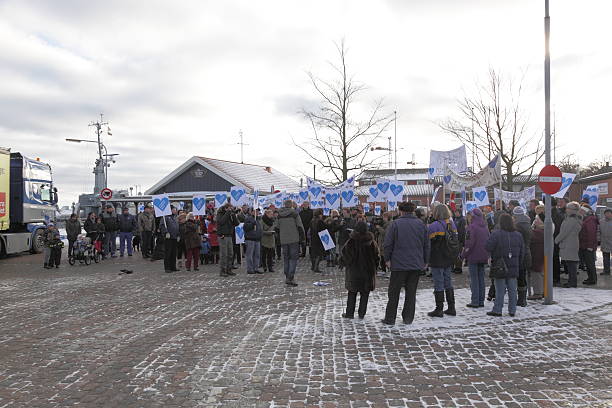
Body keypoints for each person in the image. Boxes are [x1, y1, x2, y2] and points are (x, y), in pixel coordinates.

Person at [381, 201, 430, 325]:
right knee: (411, 292)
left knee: (394, 292)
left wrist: (387, 259)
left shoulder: (395, 224)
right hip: (415, 263)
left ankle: (390, 318)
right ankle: (408, 318)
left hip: (398, 264)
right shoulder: (421, 224)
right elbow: (426, 245)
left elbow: (387, 244)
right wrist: (425, 260)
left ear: (400, 211)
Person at [485, 213, 524, 317]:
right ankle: (512, 310)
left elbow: (488, 247)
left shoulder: (496, 234)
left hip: (499, 265)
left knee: (500, 289)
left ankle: (497, 309)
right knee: (512, 290)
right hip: (514, 264)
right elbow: (522, 252)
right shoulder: (518, 235)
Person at [341, 221, 379, 319]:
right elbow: (377, 256)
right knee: (365, 293)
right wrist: (376, 267)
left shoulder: (351, 241)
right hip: (368, 272)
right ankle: (362, 313)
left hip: (354, 272)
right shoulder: (371, 242)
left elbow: (346, 256)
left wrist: (342, 262)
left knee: (352, 293)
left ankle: (349, 313)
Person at [427, 204, 458, 318]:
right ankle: (451, 307)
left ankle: (439, 309)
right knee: (448, 281)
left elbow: (428, 243)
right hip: (449, 256)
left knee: (438, 282)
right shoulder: (452, 224)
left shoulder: (434, 226)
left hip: (437, 257)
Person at [463, 208, 490, 308]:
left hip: (473, 256)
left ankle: (475, 301)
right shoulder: (485, 227)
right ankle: (481, 301)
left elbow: (469, 243)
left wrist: (463, 255)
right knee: (481, 279)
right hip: (483, 256)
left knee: (474, 279)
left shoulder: (471, 227)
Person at [277, 200, 305, 286]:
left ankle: (287, 276)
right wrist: (303, 238)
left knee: (286, 258)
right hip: (294, 239)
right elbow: (300, 226)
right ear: (291, 205)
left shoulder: (279, 215)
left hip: (284, 239)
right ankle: (290, 277)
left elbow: (276, 227)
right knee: (293, 259)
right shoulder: (295, 214)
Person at [554, 202, 582, 288]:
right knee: (570, 264)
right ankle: (571, 281)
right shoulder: (573, 218)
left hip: (569, 244)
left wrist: (556, 240)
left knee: (571, 264)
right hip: (570, 243)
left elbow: (564, 233)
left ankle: (572, 282)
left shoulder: (571, 220)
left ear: (572, 210)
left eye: (568, 208)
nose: (566, 210)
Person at [512, 206, 532, 307]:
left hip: (519, 254)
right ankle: (522, 299)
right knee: (522, 276)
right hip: (527, 253)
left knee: (518, 277)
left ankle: (521, 299)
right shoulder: (528, 224)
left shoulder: (518, 227)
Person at [216, 203, 239, 277]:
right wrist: (227, 213)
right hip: (223, 236)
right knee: (224, 254)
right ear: (226, 208)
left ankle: (229, 269)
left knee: (230, 254)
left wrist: (233, 215)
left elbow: (236, 223)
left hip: (229, 235)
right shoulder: (220, 213)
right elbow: (221, 222)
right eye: (229, 208)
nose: (230, 210)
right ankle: (222, 271)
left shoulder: (230, 214)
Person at [579, 205, 599, 285]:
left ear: (585, 211)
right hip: (585, 245)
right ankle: (590, 278)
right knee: (588, 263)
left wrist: (590, 246)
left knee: (590, 263)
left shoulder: (590, 220)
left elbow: (591, 233)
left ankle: (592, 279)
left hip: (588, 246)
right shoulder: (588, 218)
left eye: (581, 211)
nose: (579, 212)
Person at [529, 213, 545, 300]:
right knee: (540, 273)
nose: (535, 221)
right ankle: (541, 291)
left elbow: (531, 237)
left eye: (537, 219)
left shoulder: (538, 232)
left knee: (536, 274)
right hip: (540, 253)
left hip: (536, 254)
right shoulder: (543, 230)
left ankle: (537, 293)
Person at [160, 206, 180, 273]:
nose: (175, 211)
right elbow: (162, 226)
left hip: (174, 237)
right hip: (168, 238)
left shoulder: (175, 217)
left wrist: (178, 234)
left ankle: (173, 266)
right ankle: (167, 267)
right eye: (174, 209)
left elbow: (177, 226)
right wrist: (165, 233)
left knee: (174, 253)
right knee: (168, 253)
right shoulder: (165, 217)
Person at [244, 208, 263, 274]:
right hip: (250, 239)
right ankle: (250, 268)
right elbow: (246, 228)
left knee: (257, 255)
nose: (257, 212)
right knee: (250, 255)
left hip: (257, 239)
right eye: (255, 211)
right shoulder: (248, 218)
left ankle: (256, 267)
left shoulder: (258, 219)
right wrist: (252, 224)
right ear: (251, 212)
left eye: (257, 211)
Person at [452, 208, 467, 274]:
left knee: (459, 254)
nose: (455, 213)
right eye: (455, 212)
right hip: (455, 239)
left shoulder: (462, 220)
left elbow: (462, 231)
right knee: (455, 254)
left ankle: (459, 267)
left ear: (460, 213)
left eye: (457, 212)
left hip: (459, 240)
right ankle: (456, 266)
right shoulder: (455, 219)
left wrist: (461, 240)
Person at [600, 208, 612, 276]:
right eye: (606, 213)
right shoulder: (601, 221)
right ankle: (606, 271)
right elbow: (599, 232)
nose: (607, 215)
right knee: (605, 258)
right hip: (604, 242)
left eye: (609, 213)